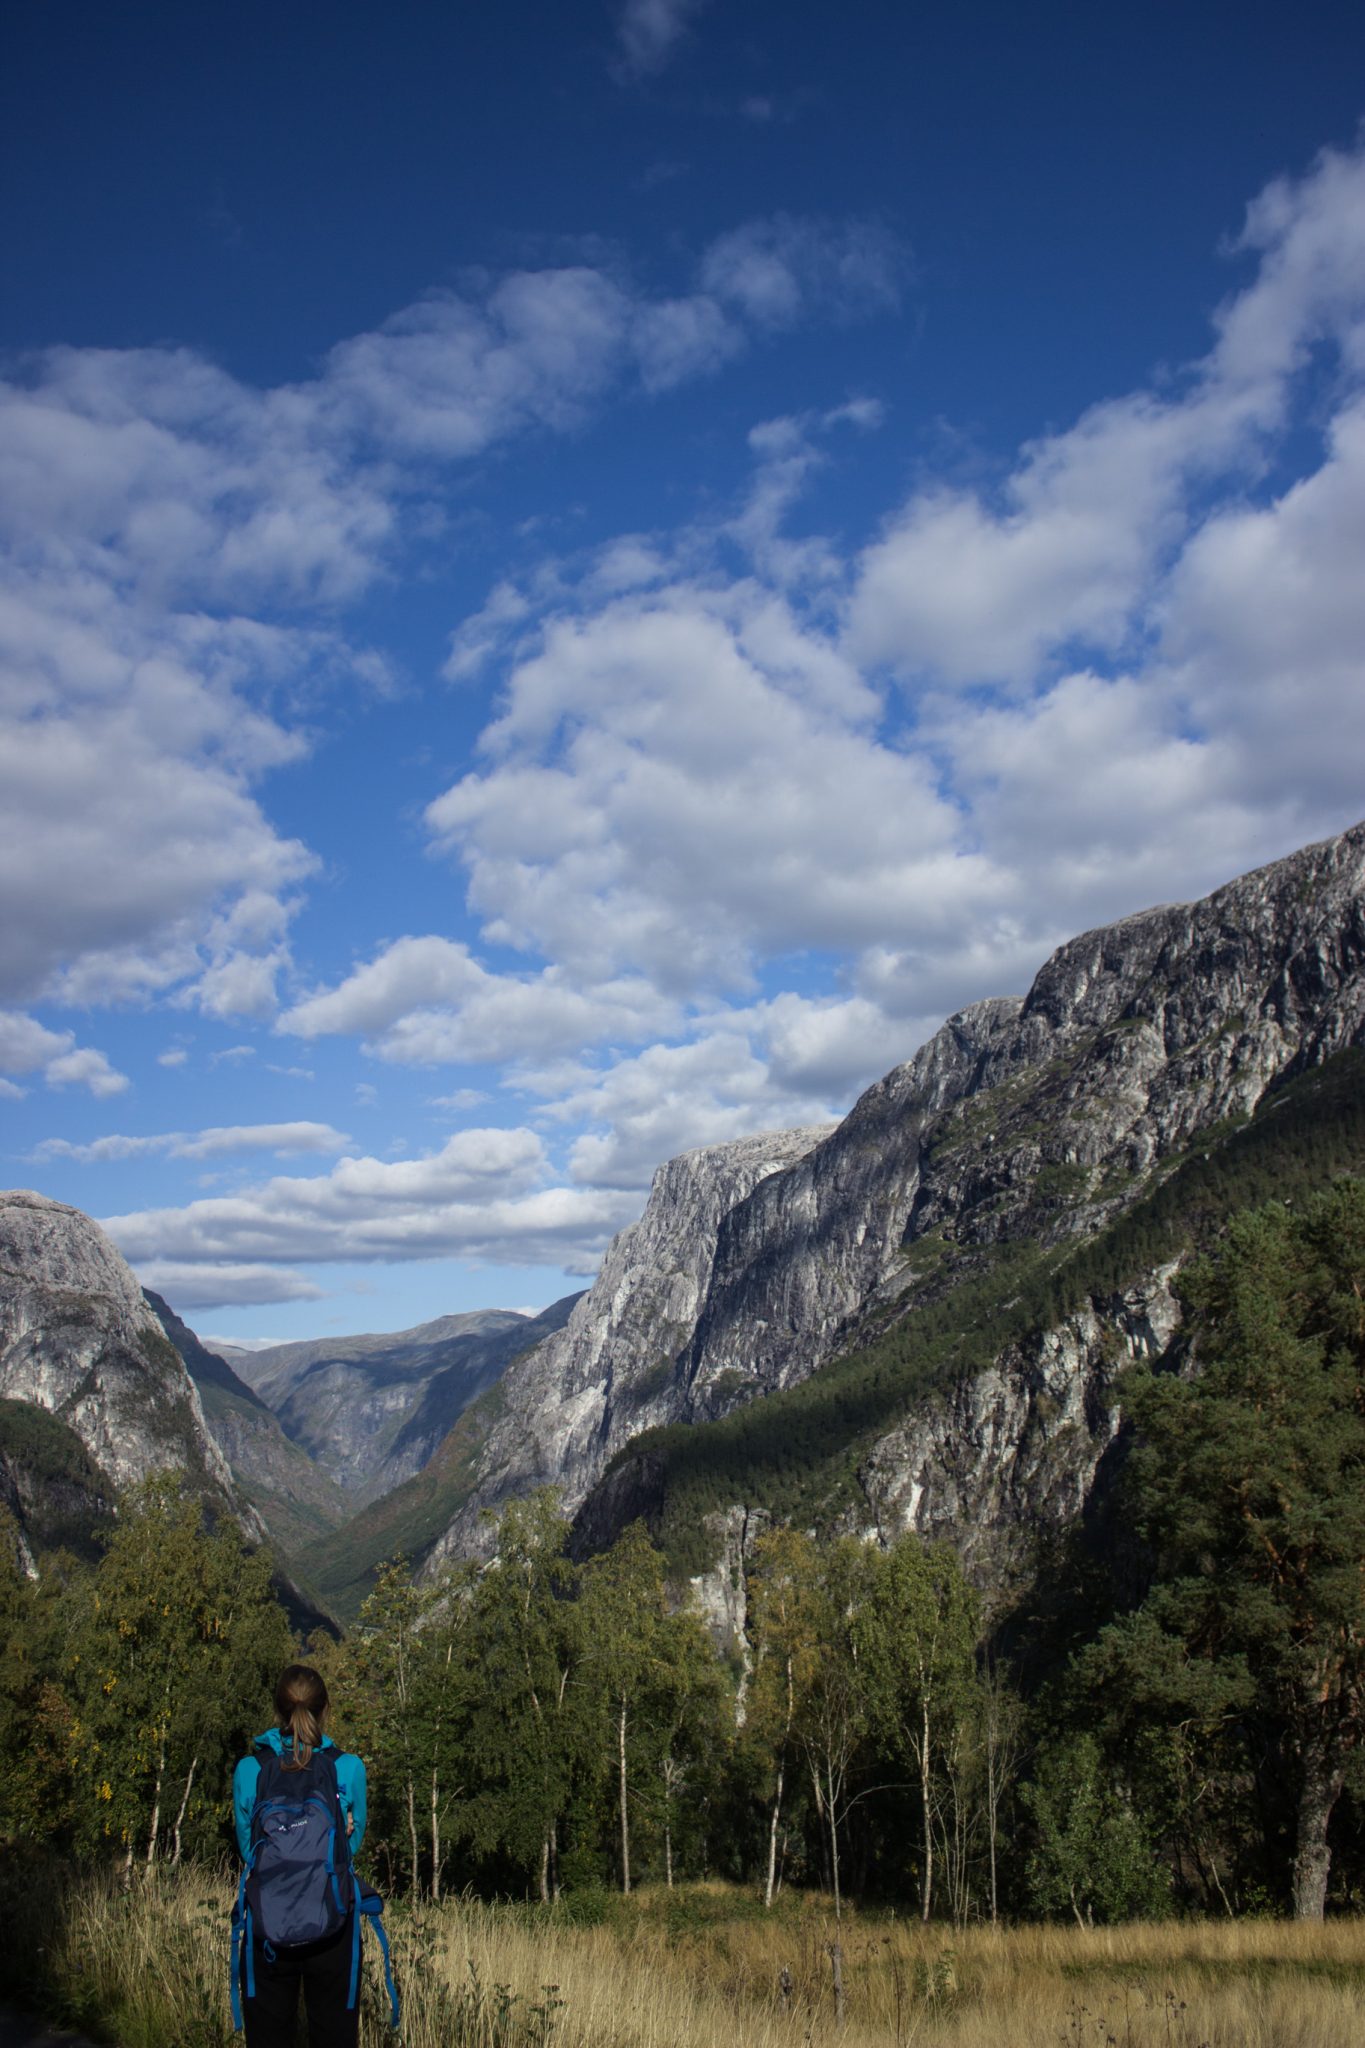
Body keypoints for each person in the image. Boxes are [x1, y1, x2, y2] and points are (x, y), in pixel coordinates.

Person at [232, 1664, 368, 2048]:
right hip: (333, 1920)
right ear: (325, 1710)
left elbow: (248, 1851)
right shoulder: (348, 1768)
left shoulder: (250, 1770)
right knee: (334, 2037)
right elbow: (349, 1850)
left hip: (268, 1924)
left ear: (277, 1711)